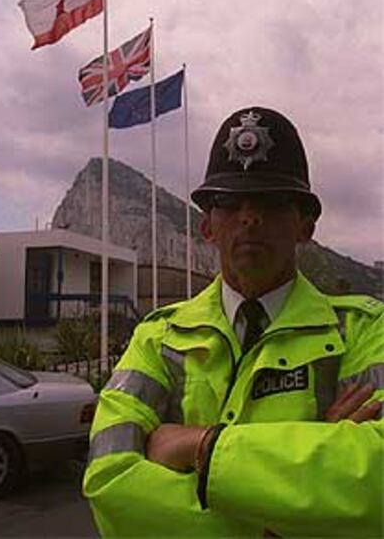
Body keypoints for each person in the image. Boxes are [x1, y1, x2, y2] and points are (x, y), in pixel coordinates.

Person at [83, 107, 383, 538]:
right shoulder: (156, 338)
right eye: (229, 202)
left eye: (272, 201)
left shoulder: (364, 329)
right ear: (207, 226)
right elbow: (109, 480)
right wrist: (307, 490)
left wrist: (199, 445)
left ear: (306, 226)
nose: (249, 216)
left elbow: (378, 485)